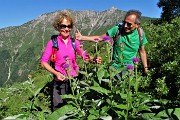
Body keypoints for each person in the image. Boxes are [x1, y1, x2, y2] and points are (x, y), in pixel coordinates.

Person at [41, 11, 102, 111]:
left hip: (74, 80)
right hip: (60, 81)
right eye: (63, 26)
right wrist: (56, 73)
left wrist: (94, 59)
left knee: (75, 108)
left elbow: (84, 55)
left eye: (69, 26)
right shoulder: (53, 43)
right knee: (58, 110)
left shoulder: (74, 42)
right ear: (58, 26)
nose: (66, 29)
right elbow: (43, 62)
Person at [76, 10, 148, 74]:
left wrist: (145, 68)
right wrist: (82, 37)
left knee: (126, 88)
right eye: (124, 22)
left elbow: (142, 52)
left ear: (137, 25)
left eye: (129, 24)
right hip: (114, 67)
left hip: (129, 68)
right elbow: (100, 38)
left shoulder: (140, 34)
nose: (125, 26)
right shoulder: (117, 29)